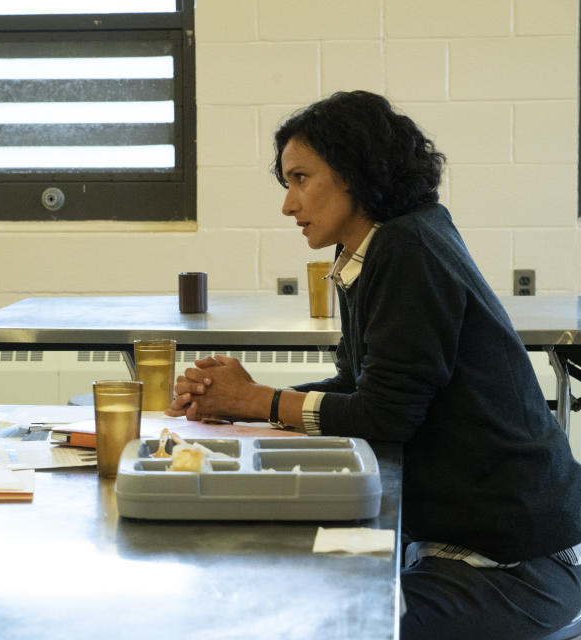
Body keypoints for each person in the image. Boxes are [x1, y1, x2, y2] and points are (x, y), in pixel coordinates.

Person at [167, 90, 581, 639]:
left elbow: (385, 415)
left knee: (314, 623)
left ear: (355, 172)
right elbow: (357, 387)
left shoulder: (406, 249)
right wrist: (239, 402)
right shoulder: (375, 247)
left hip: (517, 567)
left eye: (300, 179)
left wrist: (255, 401)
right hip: (462, 549)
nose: (288, 205)